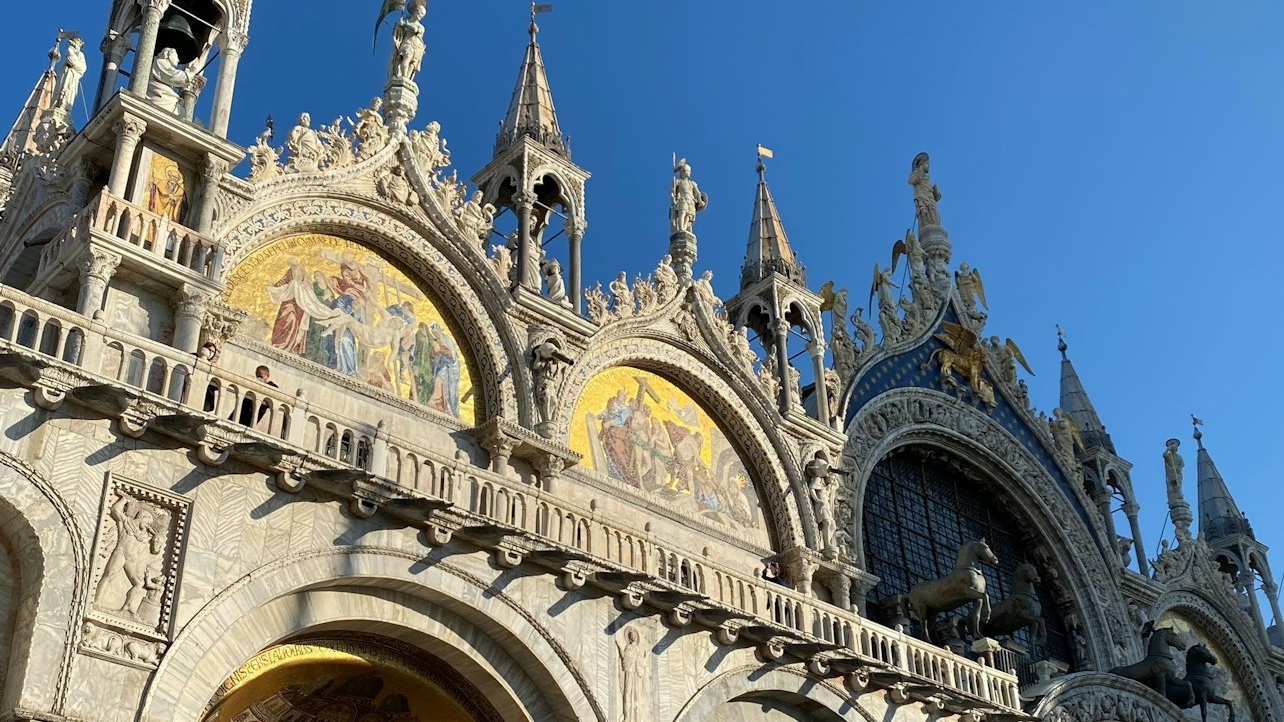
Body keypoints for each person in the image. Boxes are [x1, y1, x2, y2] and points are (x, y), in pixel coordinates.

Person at [669, 159, 708, 235]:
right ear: (683, 171)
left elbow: (698, 193)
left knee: (689, 216)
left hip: (691, 201)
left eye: (689, 171)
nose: (690, 172)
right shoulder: (678, 181)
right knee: (682, 213)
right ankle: (680, 229)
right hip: (682, 199)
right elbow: (672, 191)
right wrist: (673, 197)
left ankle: (684, 229)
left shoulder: (692, 183)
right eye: (688, 171)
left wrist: (700, 201)